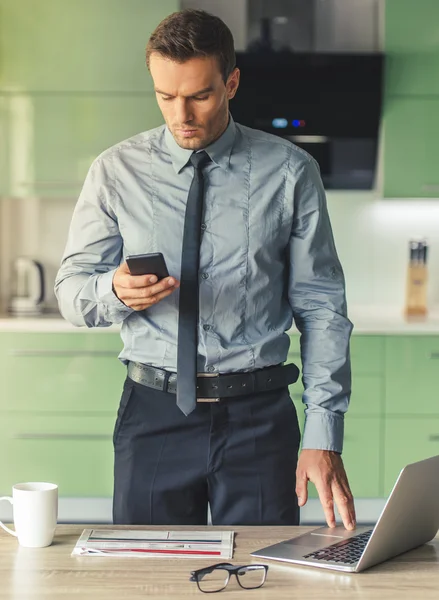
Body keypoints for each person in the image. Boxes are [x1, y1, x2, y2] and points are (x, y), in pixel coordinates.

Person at [55, 8, 355, 529]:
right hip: (153, 412)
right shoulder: (114, 171)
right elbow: (71, 293)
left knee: (265, 578)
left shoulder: (289, 172)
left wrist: (322, 434)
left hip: (260, 418)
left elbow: (322, 307)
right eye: (165, 96)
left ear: (232, 83)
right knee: (146, 579)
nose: (181, 115)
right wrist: (116, 292)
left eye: (199, 95)